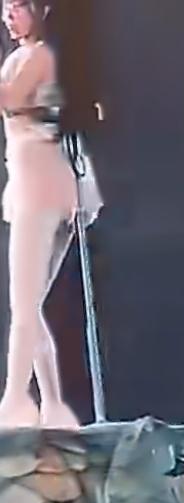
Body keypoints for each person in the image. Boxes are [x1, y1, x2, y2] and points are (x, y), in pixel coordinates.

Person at [0, 0, 101, 427]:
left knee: (24, 305)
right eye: (4, 8)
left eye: (16, 7)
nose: (8, 17)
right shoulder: (27, 57)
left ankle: (15, 399)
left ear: (40, 10)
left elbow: (9, 98)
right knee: (30, 305)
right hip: (41, 182)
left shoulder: (39, 57)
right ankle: (53, 405)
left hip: (41, 185)